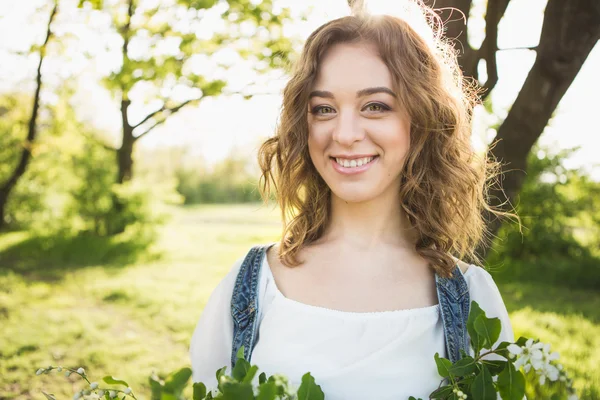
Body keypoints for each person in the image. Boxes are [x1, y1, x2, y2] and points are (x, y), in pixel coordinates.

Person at [190, 2, 518, 399]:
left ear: (422, 119)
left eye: (375, 106)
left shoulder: (471, 300)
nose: (344, 134)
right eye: (323, 109)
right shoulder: (252, 286)